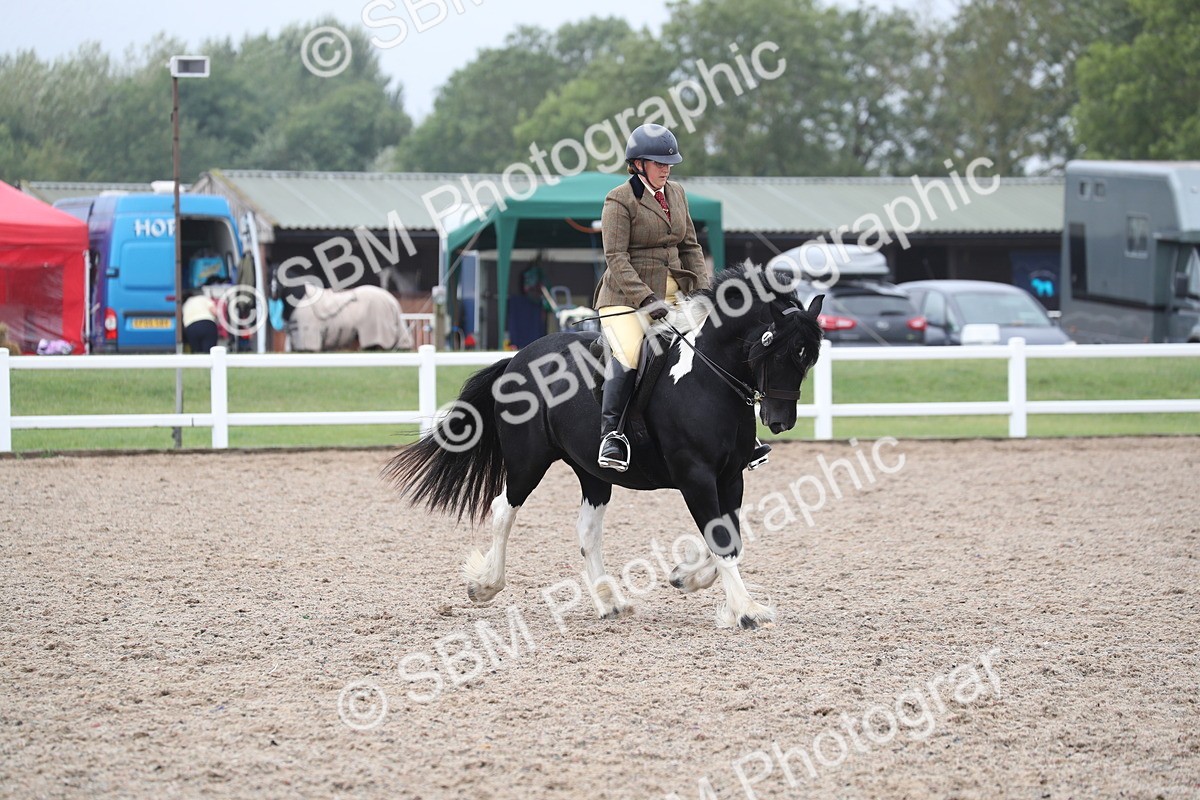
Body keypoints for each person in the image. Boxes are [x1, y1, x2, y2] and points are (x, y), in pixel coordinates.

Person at [594, 123, 773, 472]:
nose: (666, 168)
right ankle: (611, 435)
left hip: (675, 291)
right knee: (630, 353)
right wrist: (645, 299)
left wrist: (706, 294)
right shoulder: (619, 199)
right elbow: (615, 258)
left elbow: (690, 246)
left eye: (669, 163)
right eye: (659, 163)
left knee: (714, 345)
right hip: (625, 298)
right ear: (638, 164)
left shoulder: (676, 193)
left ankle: (739, 435)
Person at [182, 289, 220, 353]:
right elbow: (214, 311)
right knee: (209, 352)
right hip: (207, 324)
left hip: (191, 328)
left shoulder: (185, 304)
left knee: (197, 353)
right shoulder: (204, 298)